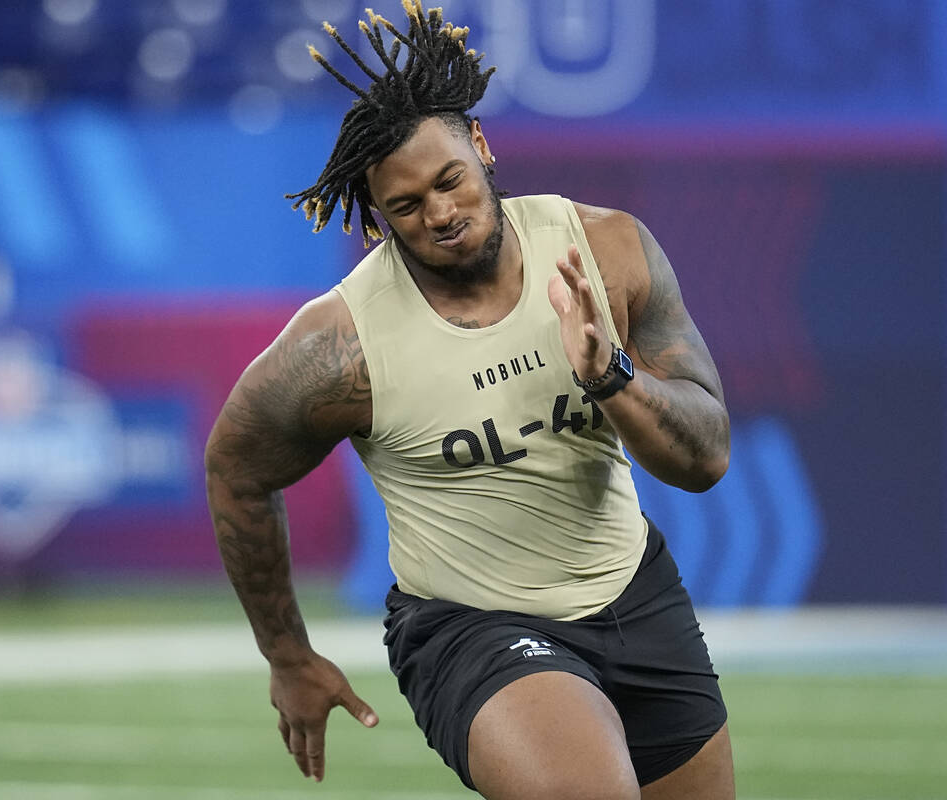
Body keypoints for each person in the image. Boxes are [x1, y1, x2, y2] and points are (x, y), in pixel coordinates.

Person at [204, 4, 735, 797]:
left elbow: (706, 460)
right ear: (379, 224)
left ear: (481, 146)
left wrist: (610, 378)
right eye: (408, 207)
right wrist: (287, 655)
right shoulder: (342, 346)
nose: (443, 215)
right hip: (471, 627)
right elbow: (235, 470)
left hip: (635, 591)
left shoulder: (607, 251)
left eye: (449, 180)